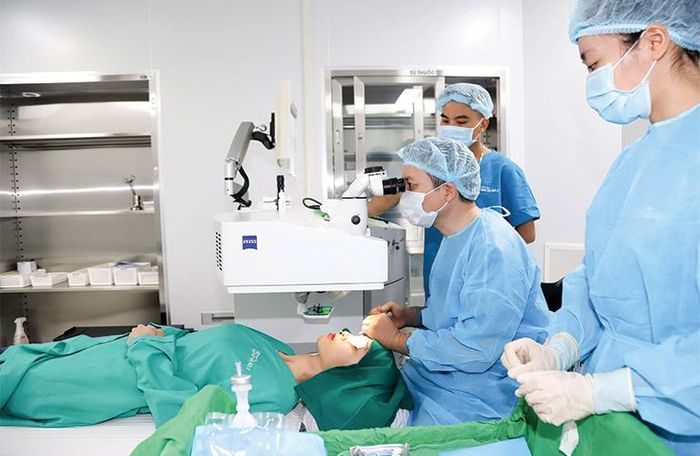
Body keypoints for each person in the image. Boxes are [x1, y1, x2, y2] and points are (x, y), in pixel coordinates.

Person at [500, 1, 700, 455]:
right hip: (615, 424)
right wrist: (561, 347)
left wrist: (607, 391)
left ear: (654, 41)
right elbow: (601, 278)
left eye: (593, 64)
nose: (592, 82)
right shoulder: (633, 161)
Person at [362, 137, 550, 426]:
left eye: (411, 185)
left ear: (448, 191)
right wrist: (412, 316)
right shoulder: (456, 235)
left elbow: (477, 349)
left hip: (486, 392)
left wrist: (397, 340)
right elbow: (456, 310)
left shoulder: (493, 248)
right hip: (450, 374)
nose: (404, 196)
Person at [0, 323, 412, 430]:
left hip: (103, 384)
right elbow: (198, 343)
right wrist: (156, 335)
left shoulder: (276, 396)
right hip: (103, 351)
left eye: (357, 346)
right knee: (17, 363)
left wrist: (145, 349)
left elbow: (181, 412)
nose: (347, 334)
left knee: (19, 388)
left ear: (347, 375)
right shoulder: (278, 347)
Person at [369, 83, 540, 297]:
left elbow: (527, 234)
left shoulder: (503, 169)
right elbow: (379, 204)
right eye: (445, 119)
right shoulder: (429, 166)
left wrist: (486, 259)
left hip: (484, 279)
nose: (451, 127)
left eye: (461, 121)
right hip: (439, 274)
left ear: (483, 124)